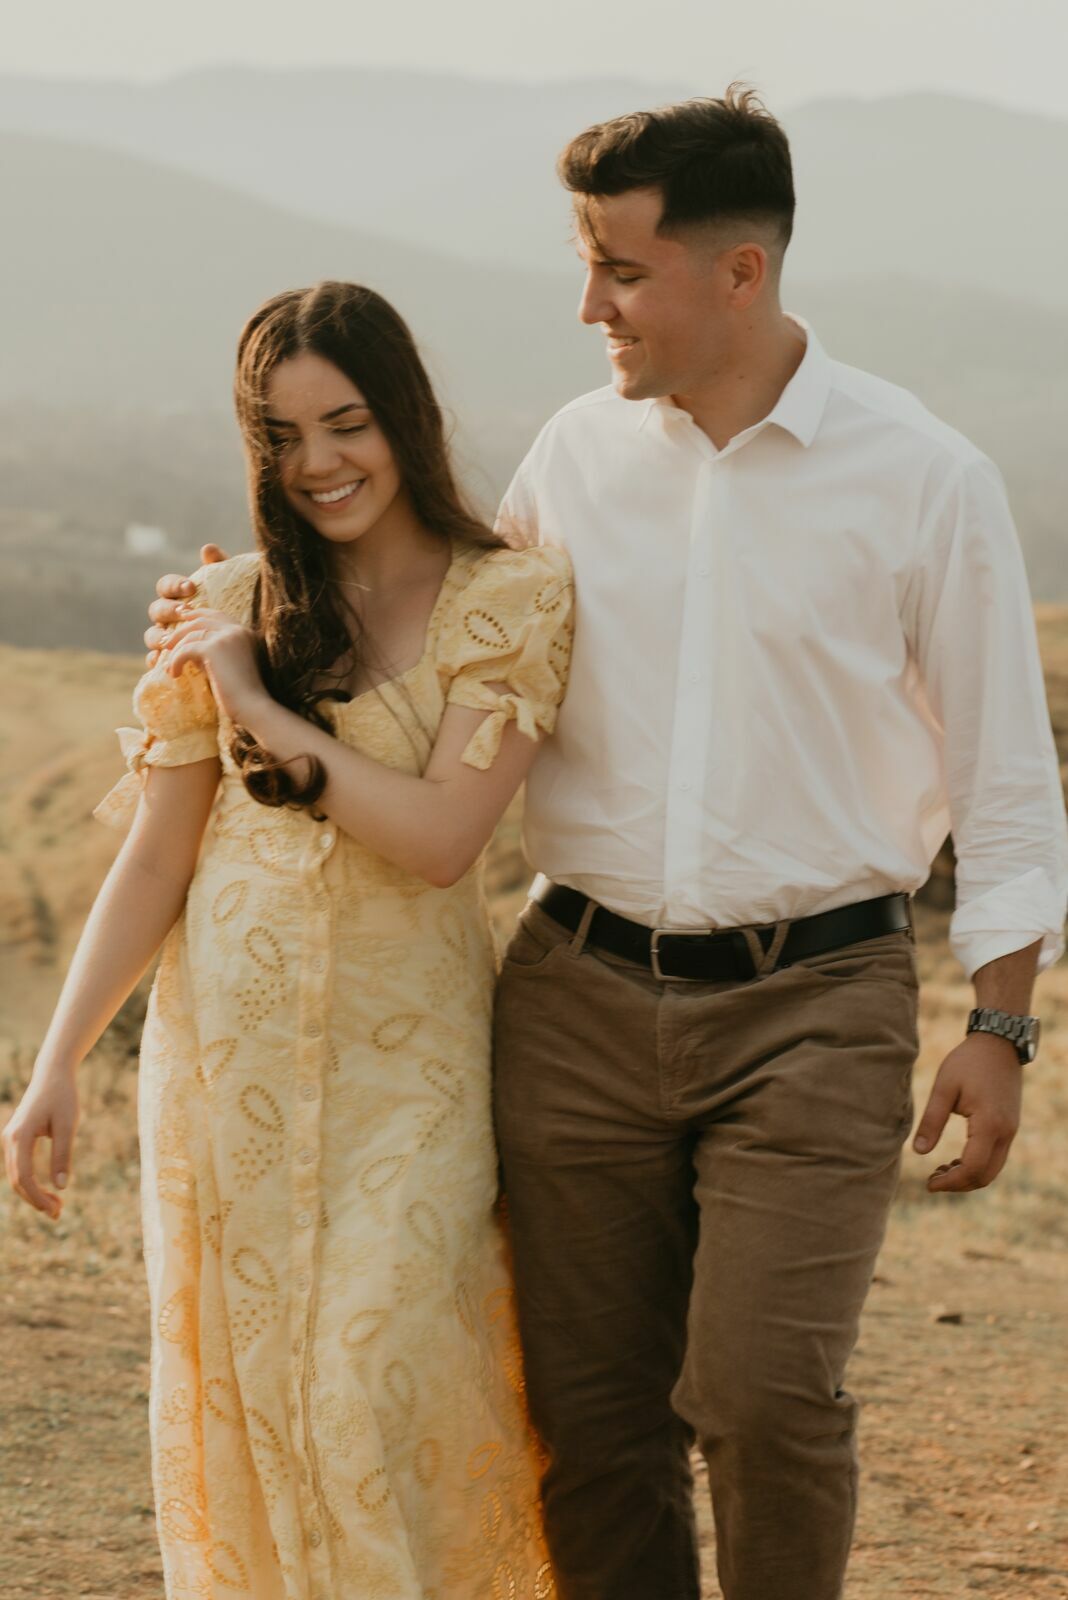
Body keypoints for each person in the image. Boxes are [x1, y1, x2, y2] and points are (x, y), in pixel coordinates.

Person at [143, 90, 1066, 1600]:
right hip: (571, 994)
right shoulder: (574, 460)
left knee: (765, 1396)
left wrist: (1004, 1023)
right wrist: (235, 614)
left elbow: (1008, 783)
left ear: (738, 274)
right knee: (592, 1423)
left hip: (814, 1005)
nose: (590, 306)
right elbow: (431, 631)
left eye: (620, 272)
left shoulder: (924, 478)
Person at [3, 281, 573, 1600]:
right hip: (226, 1083)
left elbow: (440, 838)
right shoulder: (233, 599)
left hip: (413, 1090)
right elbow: (155, 857)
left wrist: (259, 703)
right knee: (246, 1411)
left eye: (347, 423)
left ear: (407, 420)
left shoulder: (512, 598)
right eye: (282, 435)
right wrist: (54, 1069)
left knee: (375, 1388)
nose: (317, 463)